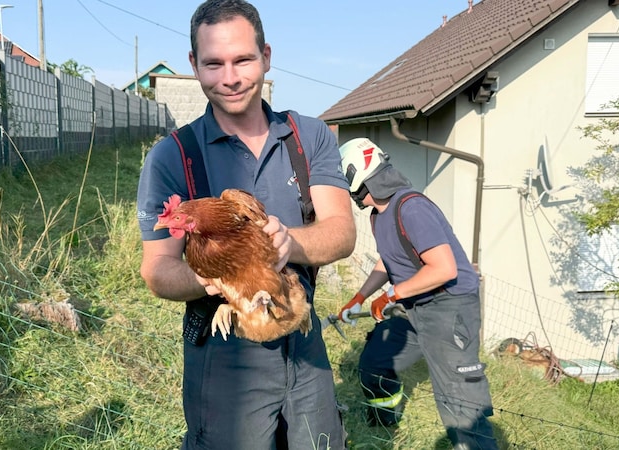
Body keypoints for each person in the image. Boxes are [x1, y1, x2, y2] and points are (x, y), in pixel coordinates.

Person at [136, 1, 355, 448]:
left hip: (301, 330)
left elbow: (342, 232)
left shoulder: (307, 136)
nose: (230, 77)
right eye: (214, 64)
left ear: (267, 56)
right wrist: (214, 278)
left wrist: (287, 244)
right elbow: (156, 270)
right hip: (225, 350)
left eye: (243, 60)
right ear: (195, 65)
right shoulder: (172, 156)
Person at [337, 138, 498, 449]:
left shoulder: (411, 208)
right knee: (375, 362)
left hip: (449, 309)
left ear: (359, 179)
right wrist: (361, 296)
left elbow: (443, 269)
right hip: (414, 307)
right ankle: (384, 426)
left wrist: (392, 295)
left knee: (459, 400)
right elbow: (390, 258)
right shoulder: (378, 215)